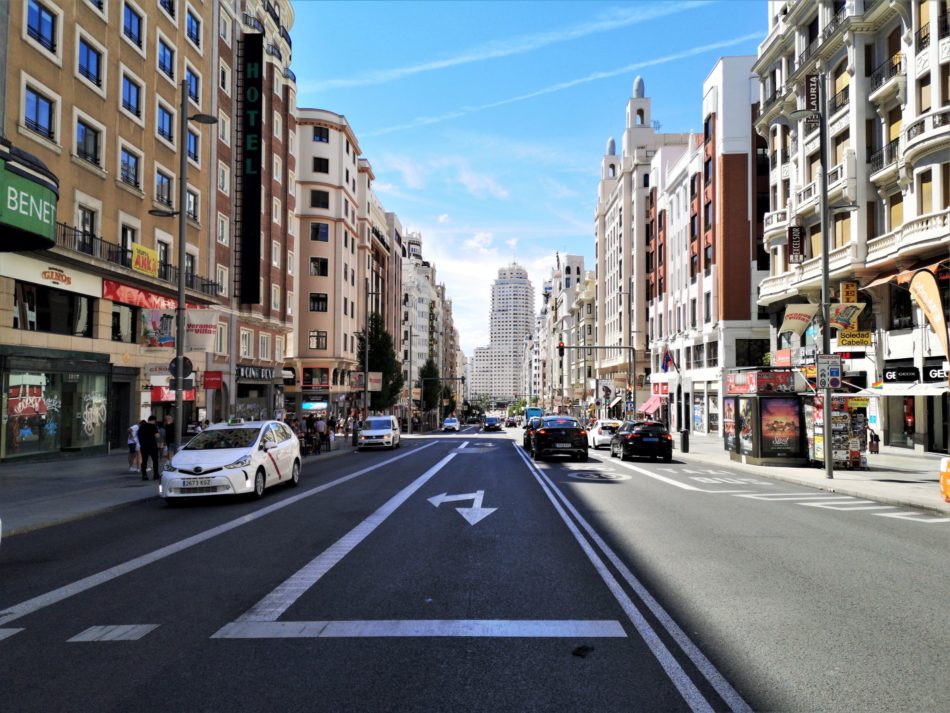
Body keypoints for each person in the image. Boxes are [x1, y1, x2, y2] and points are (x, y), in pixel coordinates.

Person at [138, 415, 161, 481]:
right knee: (155, 460)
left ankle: (144, 475)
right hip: (152, 445)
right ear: (154, 420)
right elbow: (157, 436)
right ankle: (156, 474)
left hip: (144, 446)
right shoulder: (153, 426)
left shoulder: (142, 426)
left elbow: (139, 435)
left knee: (144, 461)